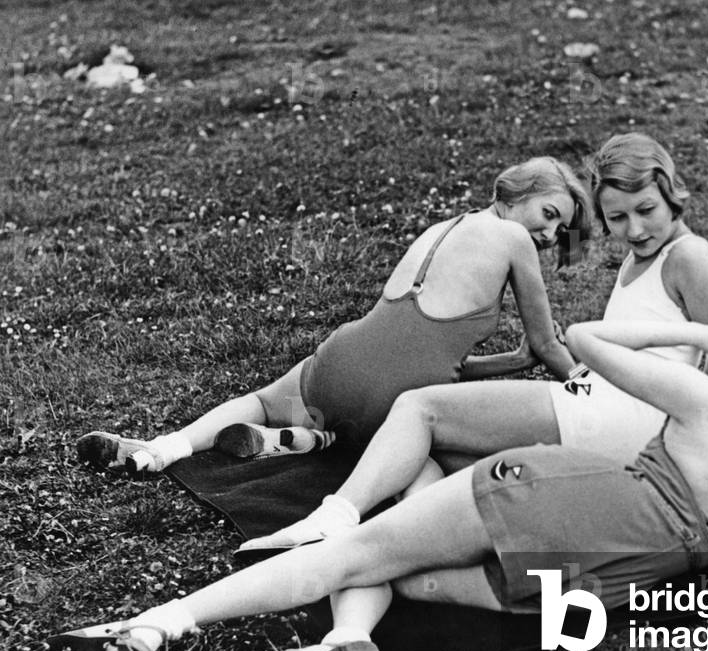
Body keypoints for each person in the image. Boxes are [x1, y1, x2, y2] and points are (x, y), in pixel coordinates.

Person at [44, 282, 708, 651]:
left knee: (353, 550)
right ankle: (343, 649)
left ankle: (158, 622)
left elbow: (584, 336)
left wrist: (695, 329)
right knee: (399, 570)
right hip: (633, 569)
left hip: (570, 495)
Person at [237, 132, 708, 554]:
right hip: (605, 406)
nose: (634, 229)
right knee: (437, 455)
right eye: (618, 218)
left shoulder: (692, 257)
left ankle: (337, 519)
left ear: (673, 192)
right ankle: (428, 535)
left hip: (624, 416)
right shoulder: (643, 256)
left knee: (419, 409)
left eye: (645, 209)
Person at [75, 157, 593, 474]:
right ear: (520, 192)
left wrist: (516, 360)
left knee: (258, 401)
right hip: (399, 400)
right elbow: (547, 349)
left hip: (340, 363)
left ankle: (163, 450)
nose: (549, 236)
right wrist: (589, 383)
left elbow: (428, 346)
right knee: (454, 453)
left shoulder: (443, 226)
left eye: (558, 230)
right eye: (549, 215)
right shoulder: (511, 238)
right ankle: (313, 442)